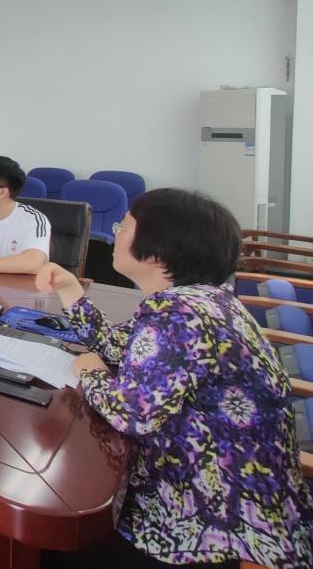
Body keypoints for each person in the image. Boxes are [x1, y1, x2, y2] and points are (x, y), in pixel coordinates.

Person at [38, 189, 312, 569]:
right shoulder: (202, 300)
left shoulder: (180, 314)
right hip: (226, 496)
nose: (115, 234)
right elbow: (117, 347)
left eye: (123, 227)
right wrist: (70, 290)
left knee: (51, 545)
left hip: (211, 523)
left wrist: (91, 374)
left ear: (155, 251)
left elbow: (132, 415)